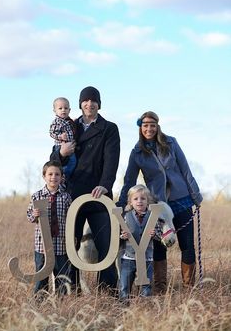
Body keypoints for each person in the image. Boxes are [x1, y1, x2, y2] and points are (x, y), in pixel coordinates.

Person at [117, 111, 203, 292]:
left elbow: (185, 170)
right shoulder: (137, 152)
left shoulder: (171, 142)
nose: (149, 129)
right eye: (145, 125)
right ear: (140, 128)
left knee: (187, 244)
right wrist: (122, 204)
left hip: (181, 200)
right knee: (158, 246)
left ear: (157, 126)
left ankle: (189, 287)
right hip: (157, 205)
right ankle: (160, 288)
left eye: (152, 125)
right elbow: (129, 180)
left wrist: (196, 196)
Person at [50, 86, 120, 294]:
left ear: (99, 104)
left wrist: (105, 184)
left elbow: (111, 161)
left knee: (107, 244)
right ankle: (70, 291)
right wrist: (61, 154)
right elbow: (53, 163)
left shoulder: (109, 128)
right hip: (72, 196)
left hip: (99, 195)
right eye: (85, 101)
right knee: (70, 245)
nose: (89, 104)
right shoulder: (69, 126)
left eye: (94, 101)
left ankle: (108, 292)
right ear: (80, 104)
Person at [27, 160, 72, 296]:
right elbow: (29, 216)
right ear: (44, 176)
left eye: (57, 174)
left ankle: (62, 302)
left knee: (62, 276)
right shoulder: (37, 196)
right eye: (50, 174)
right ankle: (40, 302)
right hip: (42, 245)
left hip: (61, 245)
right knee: (41, 276)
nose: (53, 177)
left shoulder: (65, 197)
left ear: (62, 177)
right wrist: (34, 214)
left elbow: (70, 218)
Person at [119, 184, 162, 304]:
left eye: (143, 199)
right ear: (130, 202)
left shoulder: (153, 217)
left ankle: (145, 306)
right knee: (124, 284)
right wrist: (123, 236)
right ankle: (124, 305)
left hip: (146, 258)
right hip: (129, 257)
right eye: (136, 199)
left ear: (148, 201)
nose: (139, 201)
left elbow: (160, 235)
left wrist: (154, 234)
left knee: (146, 286)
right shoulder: (126, 217)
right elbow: (120, 234)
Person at [49, 97, 77, 181]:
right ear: (55, 111)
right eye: (60, 108)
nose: (63, 110)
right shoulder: (57, 121)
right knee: (70, 162)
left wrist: (74, 122)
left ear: (69, 110)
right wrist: (60, 136)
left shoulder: (68, 121)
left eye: (66, 108)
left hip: (70, 145)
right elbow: (52, 132)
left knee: (73, 162)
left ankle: (65, 175)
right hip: (60, 146)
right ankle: (64, 175)